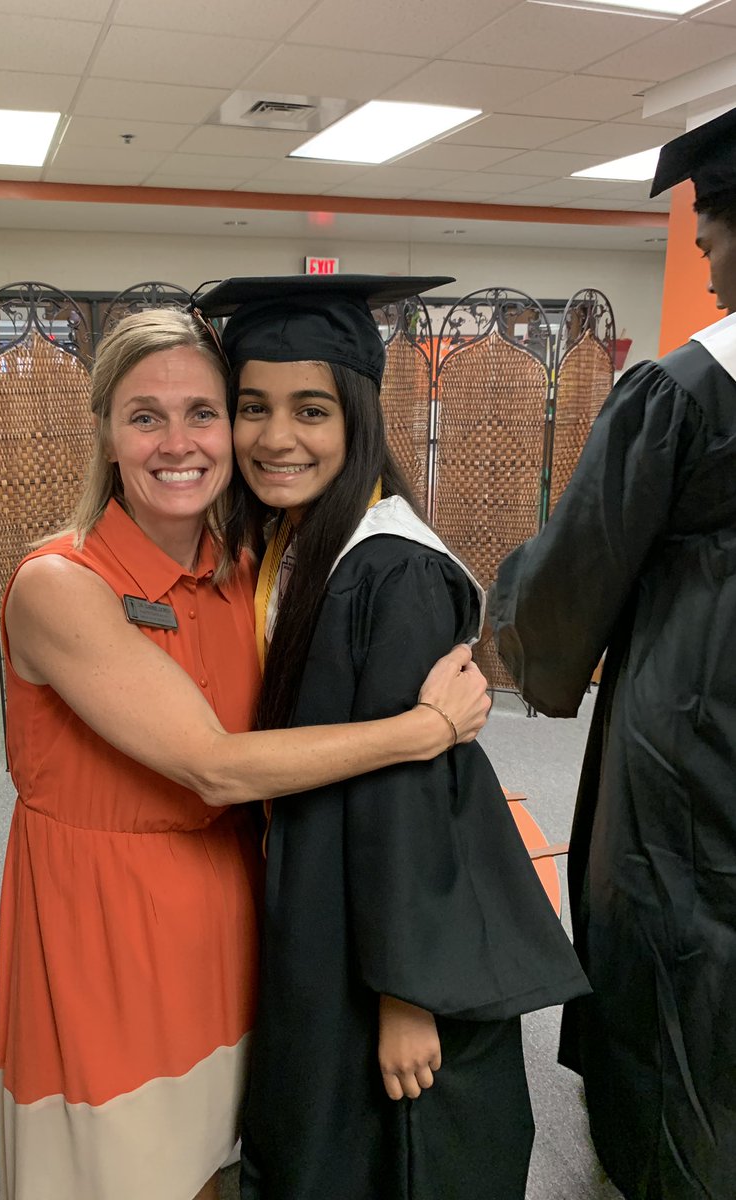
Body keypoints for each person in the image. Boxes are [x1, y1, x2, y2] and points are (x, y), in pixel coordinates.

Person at [0, 306, 492, 1200]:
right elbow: (215, 764)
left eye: (205, 412)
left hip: (243, 912)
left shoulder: (251, 567)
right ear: (106, 432)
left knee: (225, 1159)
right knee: (122, 1169)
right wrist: (428, 728)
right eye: (145, 415)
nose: (177, 441)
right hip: (107, 931)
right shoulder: (60, 585)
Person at [192, 275, 589, 1200]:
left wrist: (409, 994)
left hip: (378, 918)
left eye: (310, 409)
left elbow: (413, 794)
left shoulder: (393, 571)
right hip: (324, 884)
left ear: (359, 417)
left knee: (375, 1143)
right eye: (253, 407)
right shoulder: (299, 540)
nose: (274, 436)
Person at [488, 108, 736, 1200]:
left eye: (712, 233)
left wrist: (512, 626)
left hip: (700, 708)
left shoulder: (689, 387)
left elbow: (580, 567)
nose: (706, 258)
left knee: (676, 925)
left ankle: (673, 1160)